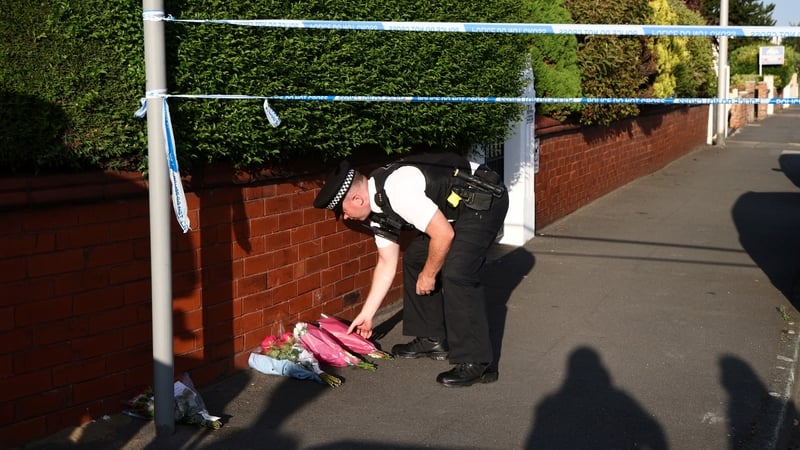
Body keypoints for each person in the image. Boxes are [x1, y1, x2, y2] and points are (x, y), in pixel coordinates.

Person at [313, 152, 509, 387]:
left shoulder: (397, 191)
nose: (345, 217)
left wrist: (429, 275)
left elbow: (443, 235)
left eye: (342, 211)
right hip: (455, 209)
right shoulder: (378, 209)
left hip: (483, 199)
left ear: (357, 199)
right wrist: (367, 314)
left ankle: (477, 362)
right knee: (415, 258)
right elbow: (386, 263)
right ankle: (431, 338)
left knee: (458, 273)